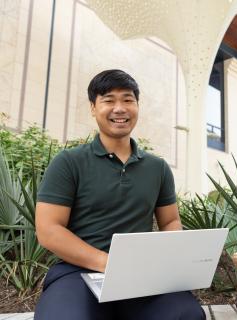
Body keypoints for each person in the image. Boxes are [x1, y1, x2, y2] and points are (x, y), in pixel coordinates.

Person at [34, 69, 205, 320]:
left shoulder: (157, 168)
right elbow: (49, 230)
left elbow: (170, 221)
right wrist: (110, 264)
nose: (120, 108)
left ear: (137, 106)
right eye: (108, 100)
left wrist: (170, 262)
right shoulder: (69, 162)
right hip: (77, 273)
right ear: (93, 108)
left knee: (185, 315)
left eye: (127, 100)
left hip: (142, 275)